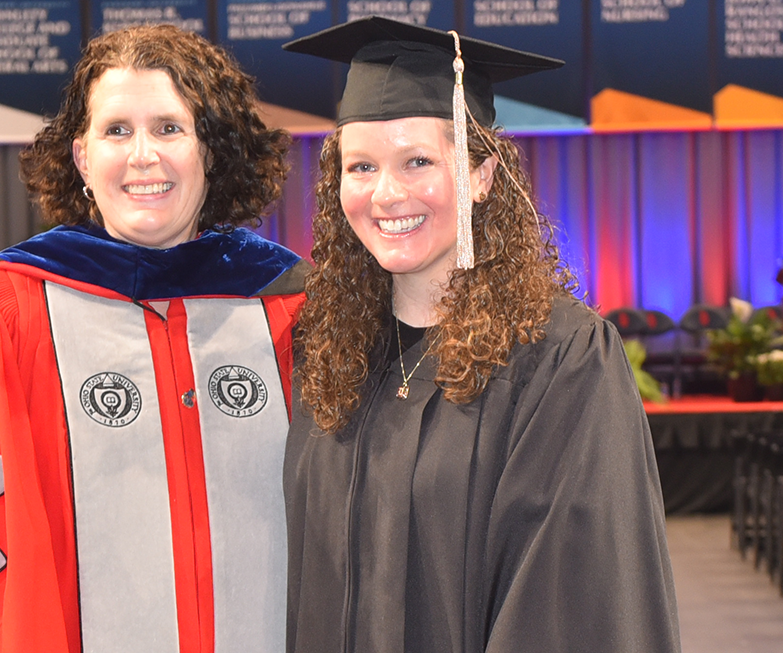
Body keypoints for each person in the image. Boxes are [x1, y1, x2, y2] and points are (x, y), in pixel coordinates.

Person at [0, 25, 307, 653]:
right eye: (116, 130)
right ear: (82, 158)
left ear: (209, 151)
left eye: (169, 128)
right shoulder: (5, 311)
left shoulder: (288, 306)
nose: (143, 155)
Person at [281, 17, 681, 652]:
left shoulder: (561, 359)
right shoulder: (329, 349)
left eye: (417, 161)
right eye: (361, 167)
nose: (386, 193)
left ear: (482, 175)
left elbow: (570, 600)